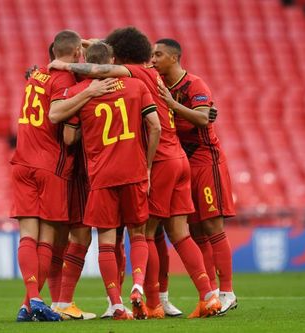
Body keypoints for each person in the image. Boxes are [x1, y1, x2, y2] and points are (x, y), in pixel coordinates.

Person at [49, 27, 222, 319]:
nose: (154, 59)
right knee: (177, 233)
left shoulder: (130, 76)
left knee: (142, 234)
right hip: (178, 157)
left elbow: (95, 75)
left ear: (119, 60)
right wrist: (94, 44)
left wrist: (65, 65)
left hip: (148, 164)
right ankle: (209, 295)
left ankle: (148, 301)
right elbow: (152, 121)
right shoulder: (152, 76)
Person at [49, 41, 162, 320]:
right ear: (111, 60)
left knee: (107, 243)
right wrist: (147, 166)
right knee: (138, 235)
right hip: (134, 171)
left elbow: (68, 137)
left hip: (101, 176)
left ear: (87, 61)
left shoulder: (79, 92)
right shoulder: (136, 85)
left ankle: (117, 304)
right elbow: (156, 126)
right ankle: (138, 287)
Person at [10, 30, 115, 322]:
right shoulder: (67, 81)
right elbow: (64, 127)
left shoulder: (37, 76)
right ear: (78, 55)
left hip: (21, 162)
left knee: (27, 238)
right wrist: (90, 92)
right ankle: (39, 302)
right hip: (50, 165)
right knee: (48, 239)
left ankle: (30, 302)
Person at [152, 38, 238, 315]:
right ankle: (210, 294)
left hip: (205, 160)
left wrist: (171, 105)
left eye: (158, 55)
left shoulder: (194, 85)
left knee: (213, 226)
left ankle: (227, 292)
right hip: (181, 163)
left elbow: (203, 118)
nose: (153, 59)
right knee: (196, 230)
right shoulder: (158, 83)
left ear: (174, 58)